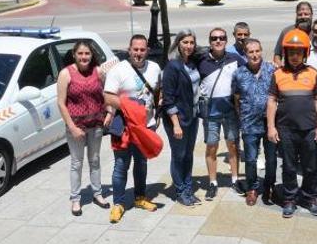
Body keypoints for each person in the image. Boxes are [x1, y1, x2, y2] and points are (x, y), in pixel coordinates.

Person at [104, 34, 162, 223]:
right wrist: (133, 108)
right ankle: (118, 204)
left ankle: (139, 197)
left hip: (146, 126)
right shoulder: (118, 70)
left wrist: (156, 113)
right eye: (135, 49)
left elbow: (157, 92)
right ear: (129, 50)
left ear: (147, 51)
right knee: (121, 166)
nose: (138, 53)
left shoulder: (154, 68)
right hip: (125, 127)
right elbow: (108, 97)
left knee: (141, 163)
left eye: (142, 50)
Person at [267, 29, 317, 218]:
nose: (294, 56)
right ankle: (289, 199)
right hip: (286, 130)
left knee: (310, 166)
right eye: (290, 52)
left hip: (309, 129)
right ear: (285, 53)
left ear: (305, 53)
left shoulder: (312, 73)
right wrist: (271, 127)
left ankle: (309, 198)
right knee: (289, 166)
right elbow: (271, 101)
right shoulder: (278, 74)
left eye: (298, 52)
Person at [56, 41, 111, 216]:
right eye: (80, 53)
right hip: (76, 127)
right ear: (74, 54)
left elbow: (106, 94)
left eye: (87, 53)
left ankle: (97, 194)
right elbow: (61, 103)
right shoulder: (66, 73)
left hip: (95, 124)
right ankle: (75, 199)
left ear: (91, 55)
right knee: (76, 163)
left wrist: (110, 112)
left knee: (94, 160)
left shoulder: (98, 72)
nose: (84, 57)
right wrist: (71, 127)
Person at [199, 27, 247, 200]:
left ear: (226, 41)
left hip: (230, 112)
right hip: (210, 113)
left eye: (221, 38)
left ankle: (235, 179)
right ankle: (213, 183)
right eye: (214, 38)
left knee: (233, 145)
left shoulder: (235, 59)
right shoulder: (201, 60)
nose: (218, 41)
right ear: (210, 41)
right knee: (212, 146)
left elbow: (249, 71)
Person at [232, 38, 277, 206]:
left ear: (261, 51)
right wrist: (242, 116)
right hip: (250, 123)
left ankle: (270, 187)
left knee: (271, 159)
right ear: (245, 54)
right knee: (250, 159)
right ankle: (252, 188)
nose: (255, 55)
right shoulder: (239, 73)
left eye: (257, 51)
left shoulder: (272, 70)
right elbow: (236, 98)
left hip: (270, 123)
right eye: (251, 52)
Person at [162, 30, 201, 206]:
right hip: (177, 120)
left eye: (191, 42)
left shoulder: (192, 63)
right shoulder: (173, 66)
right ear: (178, 43)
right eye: (185, 42)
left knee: (189, 155)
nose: (189, 46)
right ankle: (180, 191)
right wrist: (176, 124)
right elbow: (168, 99)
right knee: (179, 155)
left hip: (192, 118)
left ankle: (187, 188)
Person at [274, 1, 314, 66]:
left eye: (306, 14)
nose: (303, 17)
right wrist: (280, 68)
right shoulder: (287, 32)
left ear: (311, 15)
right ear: (296, 15)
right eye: (300, 14)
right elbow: (277, 55)